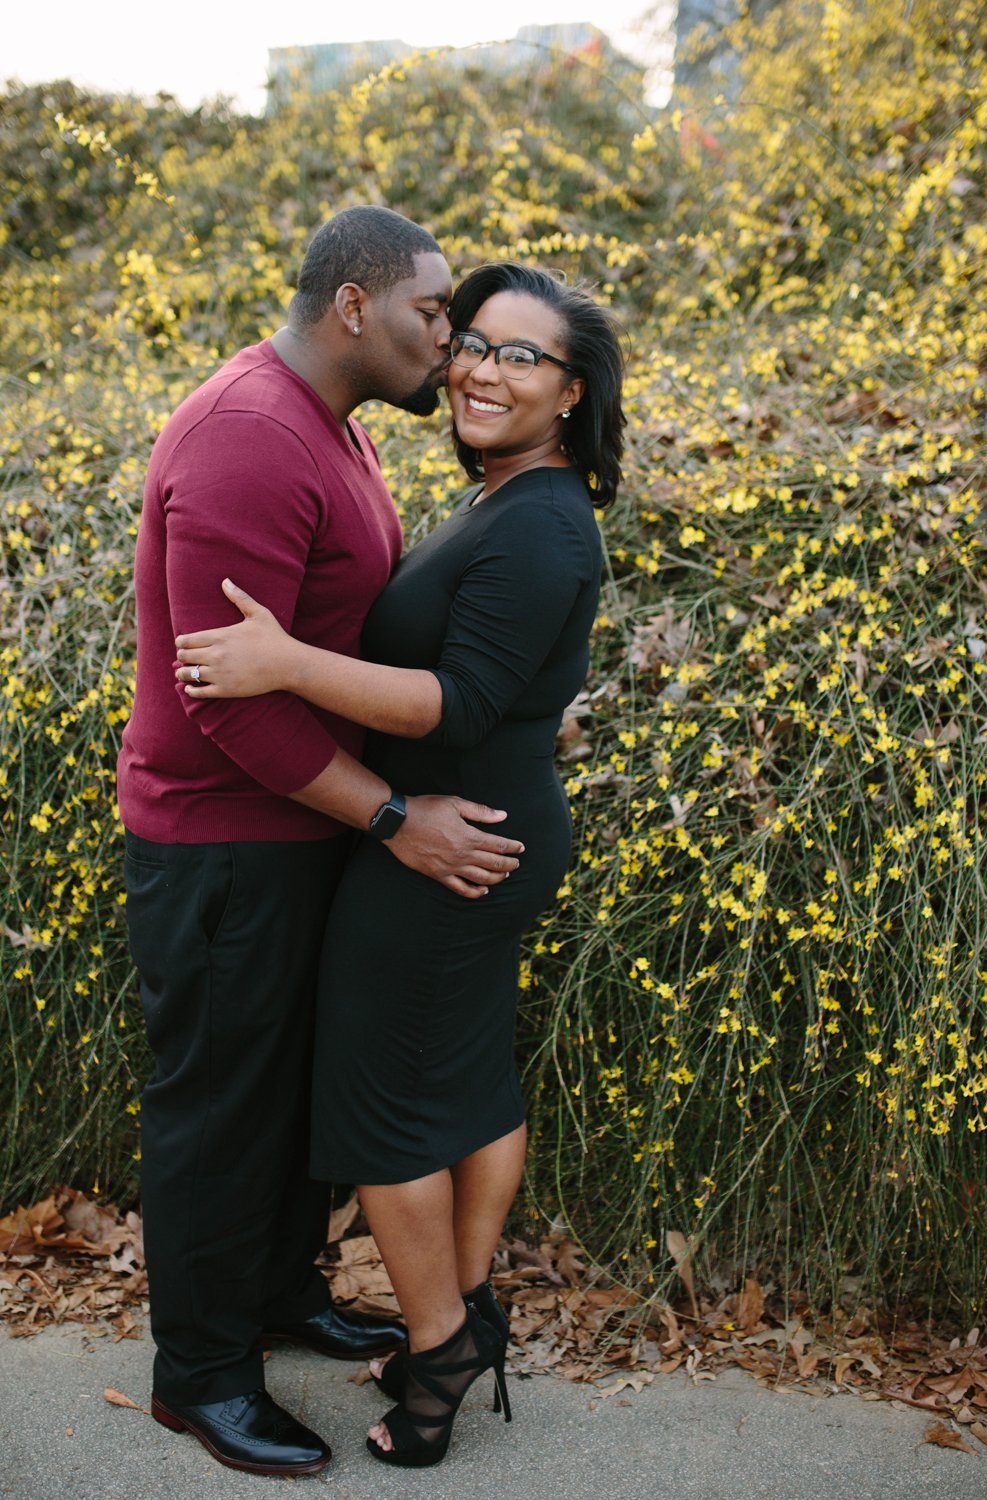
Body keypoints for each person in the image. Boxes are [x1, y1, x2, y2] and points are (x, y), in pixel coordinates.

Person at [174, 261, 627, 1468]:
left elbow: (461, 696)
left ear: (571, 391)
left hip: (444, 846)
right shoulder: (507, 498)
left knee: (382, 1116)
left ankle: (437, 1355)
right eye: (471, 340)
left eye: (519, 356)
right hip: (471, 831)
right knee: (467, 1083)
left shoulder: (538, 519)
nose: (480, 367)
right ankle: (463, 1309)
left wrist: (286, 662)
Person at [116, 209, 525, 1480]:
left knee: (292, 1094)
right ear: (353, 305)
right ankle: (200, 1372)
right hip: (226, 838)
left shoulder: (329, 422)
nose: (447, 339)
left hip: (300, 828)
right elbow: (220, 703)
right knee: (222, 1111)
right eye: (431, 310)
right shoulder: (247, 438)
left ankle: (277, 1297)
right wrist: (395, 819)